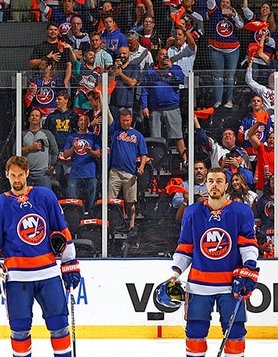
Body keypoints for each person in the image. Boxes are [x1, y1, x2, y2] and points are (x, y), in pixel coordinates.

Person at [0, 155, 80, 357]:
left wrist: (70, 262)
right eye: (13, 175)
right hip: (17, 279)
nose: (17, 180)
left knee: (59, 326)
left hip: (48, 275)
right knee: (19, 330)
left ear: (27, 173)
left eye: (20, 175)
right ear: (6, 175)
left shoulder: (45, 197)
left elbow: (61, 231)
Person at [159, 167, 259, 357]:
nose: (215, 184)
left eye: (219, 181)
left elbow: (248, 243)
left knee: (235, 334)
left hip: (230, 286)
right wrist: (174, 274)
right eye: (211, 180)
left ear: (226, 185)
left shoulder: (241, 211)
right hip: (198, 285)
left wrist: (250, 267)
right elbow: (186, 246)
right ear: (205, 184)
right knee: (195, 333)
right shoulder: (193, 212)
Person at [109, 108, 148, 230]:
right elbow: (108, 114)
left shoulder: (138, 135)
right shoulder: (115, 130)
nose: (125, 123)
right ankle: (112, 225)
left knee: (130, 202)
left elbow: (143, 154)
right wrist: (100, 96)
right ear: (119, 120)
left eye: (127, 120)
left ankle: (131, 225)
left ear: (131, 119)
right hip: (115, 171)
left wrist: (141, 167)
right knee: (111, 202)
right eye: (123, 120)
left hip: (130, 174)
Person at [21, 109, 58, 188]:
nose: (34, 117)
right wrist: (30, 148)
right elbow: (15, 151)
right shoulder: (23, 134)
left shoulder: (47, 134)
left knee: (45, 198)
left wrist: (52, 166)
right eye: (32, 115)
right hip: (27, 174)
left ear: (41, 119)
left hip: (43, 174)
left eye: (37, 116)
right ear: (29, 118)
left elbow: (55, 151)